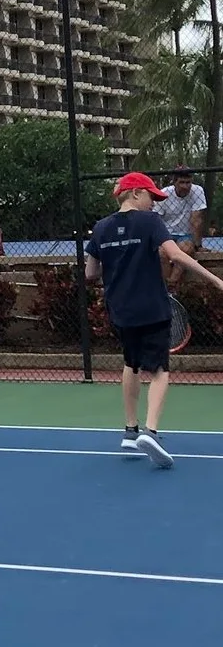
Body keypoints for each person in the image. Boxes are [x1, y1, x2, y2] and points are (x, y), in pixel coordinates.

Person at [87, 173, 223, 467]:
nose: (154, 204)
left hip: (120, 310)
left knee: (131, 363)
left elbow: (90, 273)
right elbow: (176, 255)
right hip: (151, 307)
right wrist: (215, 280)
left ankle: (130, 429)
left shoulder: (100, 228)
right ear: (135, 193)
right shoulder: (150, 223)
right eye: (151, 197)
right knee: (160, 369)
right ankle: (150, 430)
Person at [156, 167, 207, 256]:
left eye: (188, 182)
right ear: (174, 183)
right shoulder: (164, 193)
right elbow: (156, 219)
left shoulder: (197, 191)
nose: (185, 186)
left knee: (186, 250)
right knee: (162, 253)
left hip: (185, 235)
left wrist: (197, 244)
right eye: (181, 182)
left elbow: (196, 219)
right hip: (166, 233)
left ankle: (176, 270)